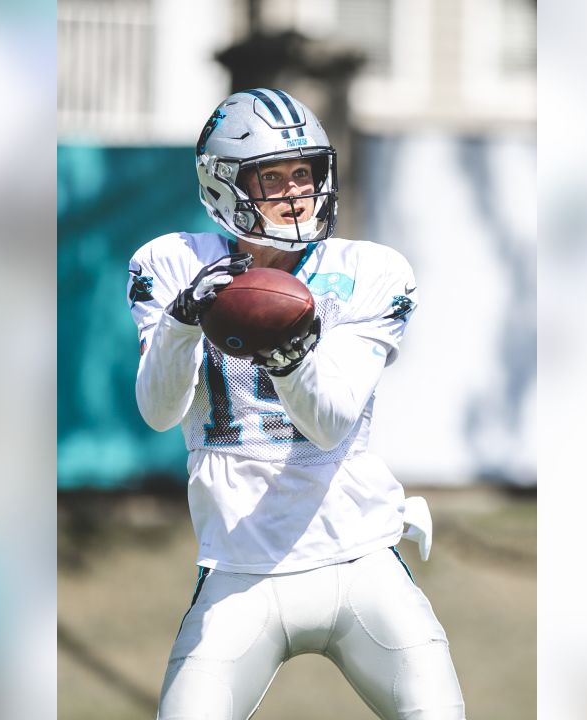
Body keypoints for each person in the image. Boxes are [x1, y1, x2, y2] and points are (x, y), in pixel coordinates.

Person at [126, 88, 465, 720]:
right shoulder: (173, 264)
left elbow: (329, 423)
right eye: (272, 176)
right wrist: (180, 322)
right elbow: (158, 411)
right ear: (225, 185)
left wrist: (285, 352)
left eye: (303, 173)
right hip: (239, 566)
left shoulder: (371, 271)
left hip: (359, 555)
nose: (294, 192)